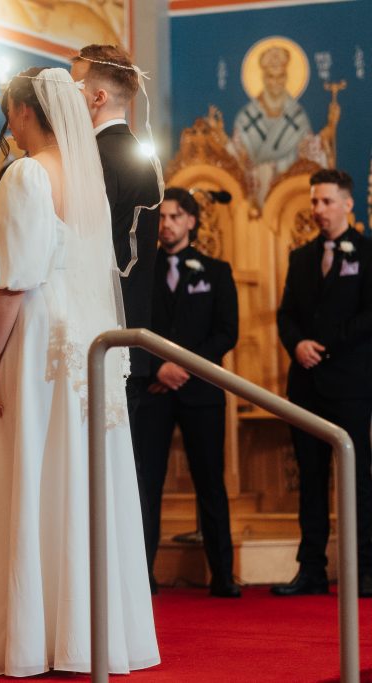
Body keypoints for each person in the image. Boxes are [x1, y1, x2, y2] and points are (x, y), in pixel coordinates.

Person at [0, 67, 158, 676]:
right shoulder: (86, 179)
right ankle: (93, 634)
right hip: (86, 339)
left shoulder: (27, 174)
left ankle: (38, 636)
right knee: (83, 475)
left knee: (36, 469)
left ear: (26, 113)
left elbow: (11, 281)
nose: (10, 129)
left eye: (10, 115)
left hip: (39, 340)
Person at [137, 188, 240, 598]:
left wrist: (184, 368)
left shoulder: (216, 272)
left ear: (192, 221)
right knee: (148, 484)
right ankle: (142, 575)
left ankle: (224, 576)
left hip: (200, 392)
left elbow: (225, 332)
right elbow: (134, 323)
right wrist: (157, 366)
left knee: (210, 482)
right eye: (162, 217)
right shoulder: (141, 271)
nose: (167, 224)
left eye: (176, 216)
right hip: (155, 390)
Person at [274, 168, 372, 597]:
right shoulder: (301, 257)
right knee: (309, 481)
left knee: (358, 481)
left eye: (327, 201)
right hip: (307, 385)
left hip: (350, 383)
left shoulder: (368, 254)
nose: (318, 210)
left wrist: (325, 345)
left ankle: (365, 569)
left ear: (348, 204)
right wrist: (297, 345)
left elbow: (369, 316)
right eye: (314, 202)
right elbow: (286, 315)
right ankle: (311, 569)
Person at [71, 44, 162, 422]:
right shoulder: (142, 156)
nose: (67, 98)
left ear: (98, 97)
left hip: (96, 333)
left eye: (73, 88)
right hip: (131, 332)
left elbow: (82, 247)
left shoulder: (94, 159)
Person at [232, 46, 313, 203]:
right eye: (270, 77)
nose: (276, 83)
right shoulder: (246, 117)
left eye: (281, 76)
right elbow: (235, 157)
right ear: (263, 78)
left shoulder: (298, 116)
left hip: (290, 196)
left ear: (287, 77)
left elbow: (311, 156)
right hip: (255, 197)